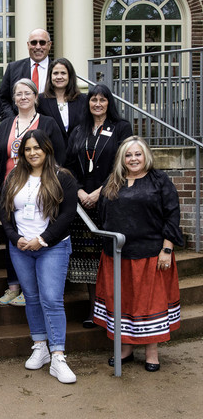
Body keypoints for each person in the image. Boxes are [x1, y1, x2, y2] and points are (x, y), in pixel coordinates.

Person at [94, 136, 184, 371]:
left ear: (146, 156)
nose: (133, 159)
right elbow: (102, 214)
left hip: (151, 255)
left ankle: (151, 352)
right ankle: (126, 348)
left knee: (148, 304)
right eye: (128, 155)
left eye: (138, 154)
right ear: (122, 159)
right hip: (118, 255)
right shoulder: (114, 181)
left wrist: (167, 248)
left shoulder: (159, 180)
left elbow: (172, 215)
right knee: (123, 302)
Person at [0, 130, 78, 384]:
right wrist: (15, 238)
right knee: (31, 298)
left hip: (52, 247)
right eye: (28, 149)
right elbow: (5, 211)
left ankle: (58, 355)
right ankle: (40, 346)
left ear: (47, 150)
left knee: (52, 299)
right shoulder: (14, 176)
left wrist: (42, 239)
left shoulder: (62, 177)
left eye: (38, 148)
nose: (33, 153)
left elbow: (68, 215)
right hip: (21, 248)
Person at [65, 84, 133, 326]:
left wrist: (99, 192)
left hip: (110, 199)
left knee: (110, 257)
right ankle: (95, 312)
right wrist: (81, 192)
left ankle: (116, 312)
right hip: (82, 204)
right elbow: (69, 165)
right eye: (93, 99)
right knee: (88, 260)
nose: (97, 104)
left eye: (102, 100)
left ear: (109, 103)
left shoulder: (121, 128)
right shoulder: (78, 131)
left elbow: (123, 165)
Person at [0, 78, 65, 307]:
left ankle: (29, 289)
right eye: (18, 94)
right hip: (10, 187)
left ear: (36, 97)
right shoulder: (6, 123)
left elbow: (58, 156)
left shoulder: (47, 123)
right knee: (12, 233)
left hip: (39, 186)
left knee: (34, 231)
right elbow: (2, 156)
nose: (22, 97)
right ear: (13, 99)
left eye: (27, 93)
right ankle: (13, 286)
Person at [0, 28, 52, 121]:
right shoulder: (13, 68)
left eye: (42, 43)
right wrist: (14, 120)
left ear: (49, 45)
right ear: (28, 45)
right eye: (34, 43)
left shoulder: (57, 70)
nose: (38, 47)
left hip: (49, 125)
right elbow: (3, 99)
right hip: (19, 125)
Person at [37, 58, 87, 144]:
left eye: (63, 73)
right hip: (52, 152)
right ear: (50, 76)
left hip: (77, 151)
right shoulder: (41, 100)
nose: (59, 77)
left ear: (70, 76)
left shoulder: (82, 99)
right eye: (55, 73)